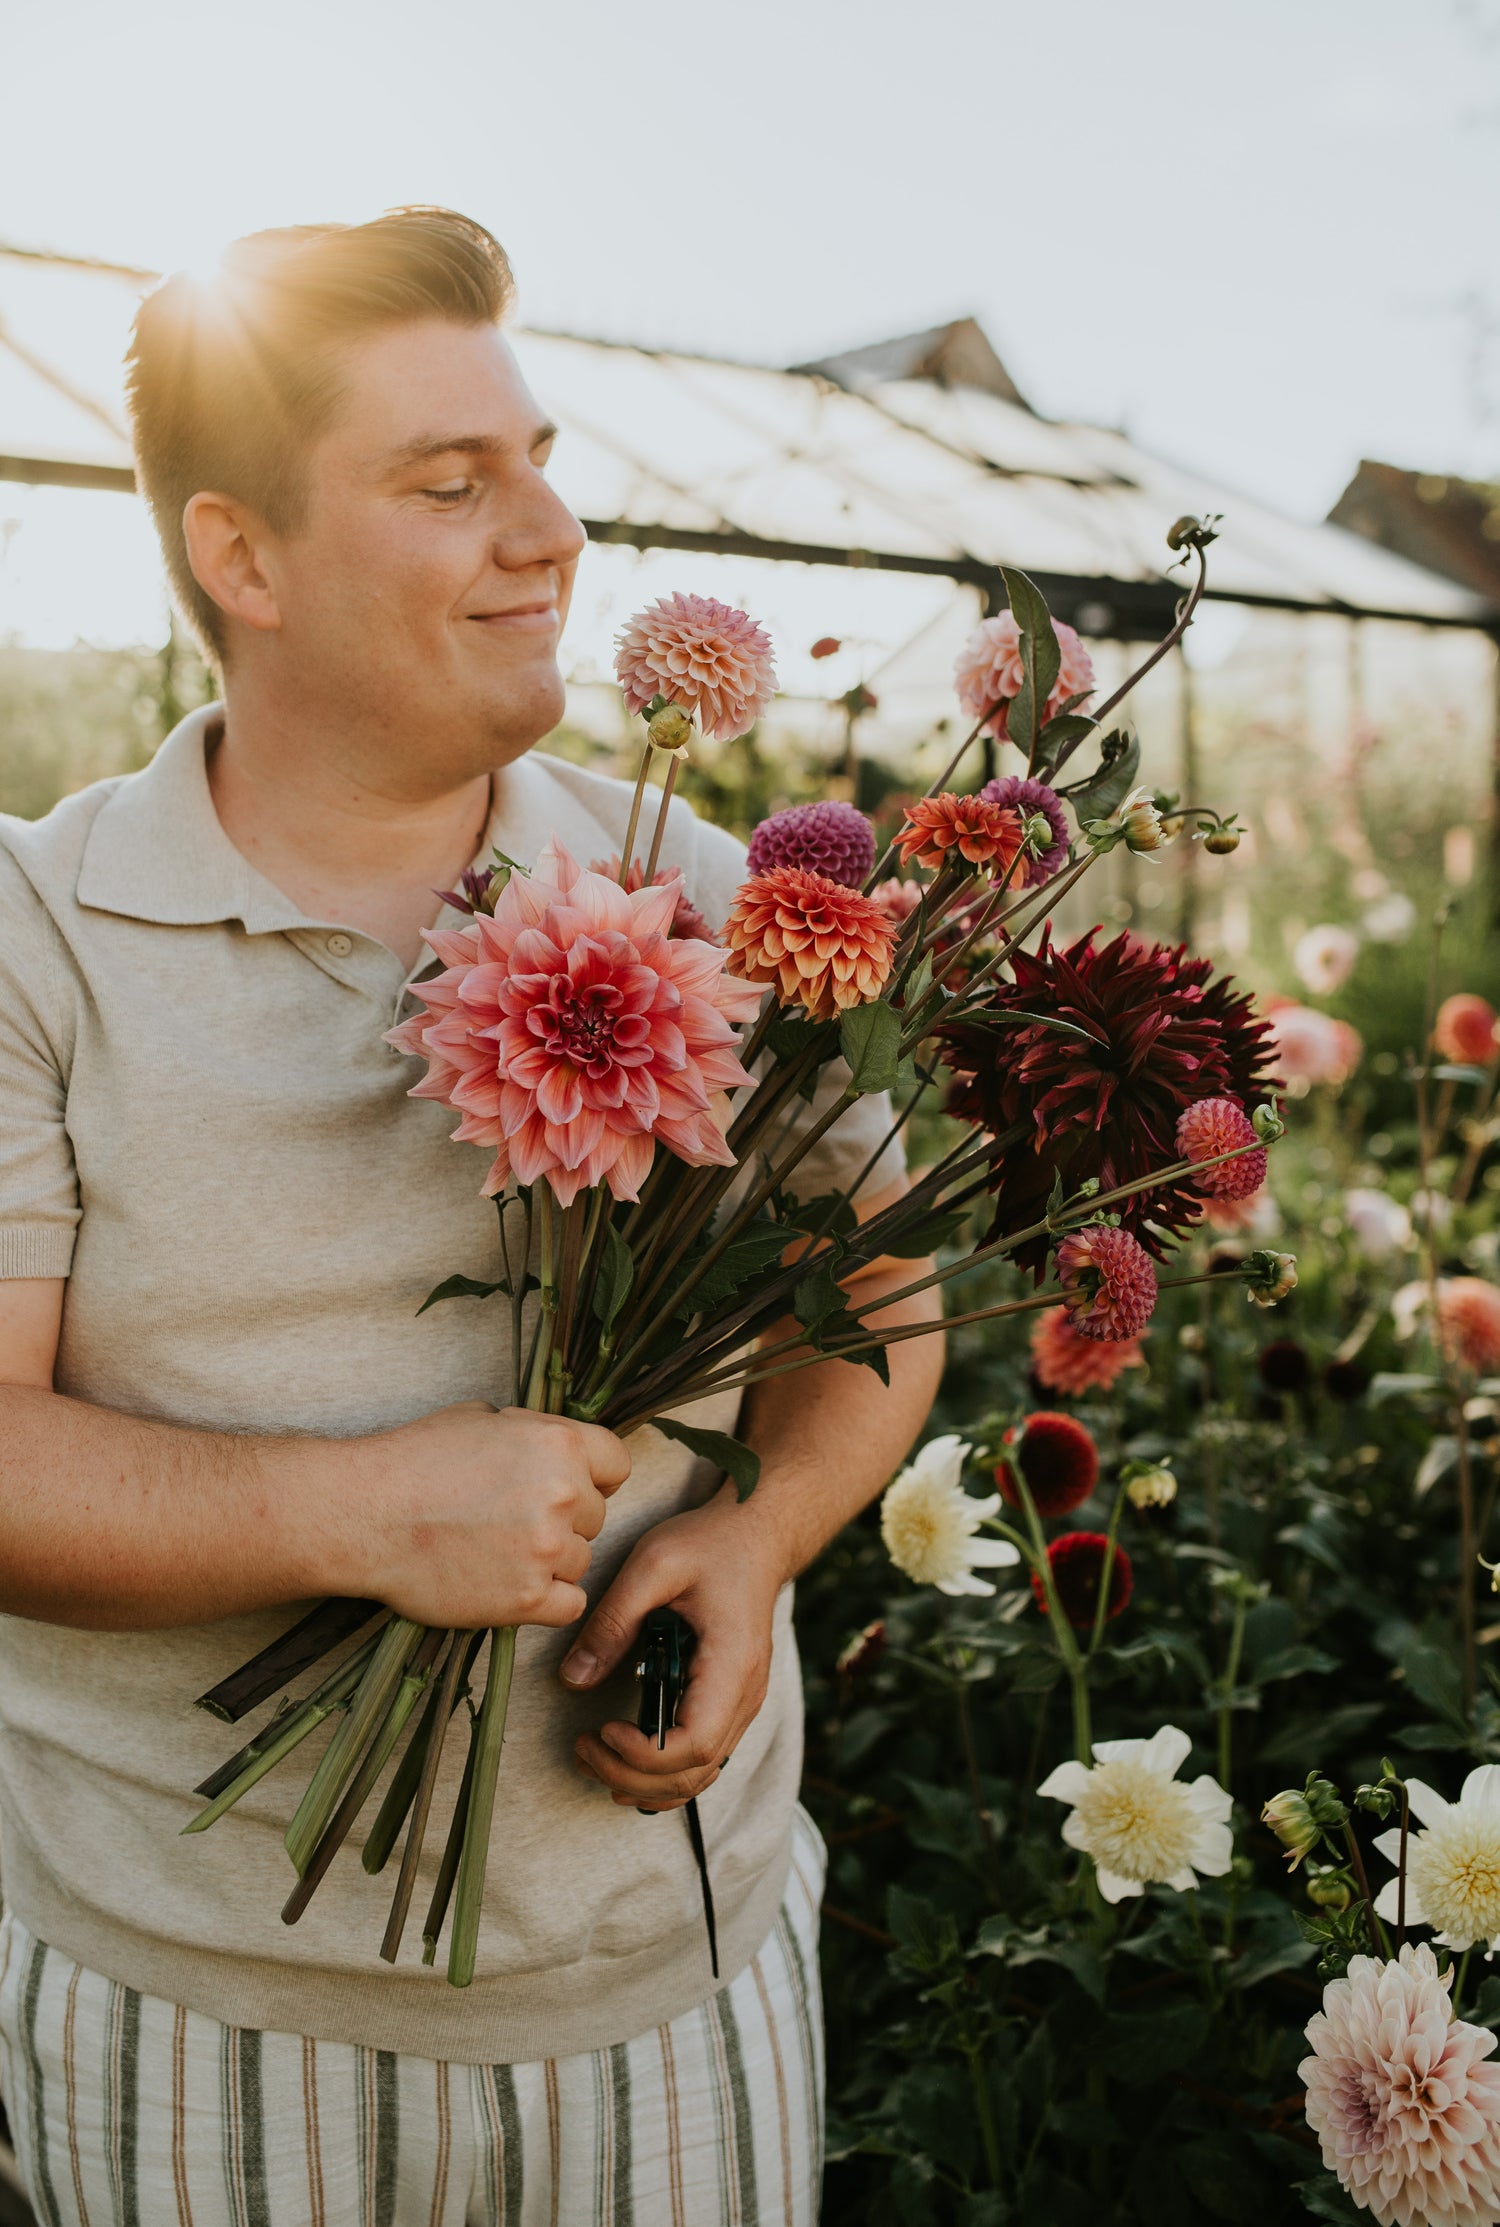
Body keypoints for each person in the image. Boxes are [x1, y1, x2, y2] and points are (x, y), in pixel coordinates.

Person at [0, 210, 942, 2225]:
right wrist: (359, 1516)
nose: (550, 533)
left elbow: (886, 1297)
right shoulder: (37, 937)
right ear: (240, 558)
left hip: (665, 1994)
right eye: (451, 483)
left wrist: (756, 1534)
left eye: (537, 460)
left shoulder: (698, 887)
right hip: (197, 2023)